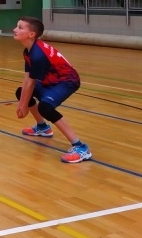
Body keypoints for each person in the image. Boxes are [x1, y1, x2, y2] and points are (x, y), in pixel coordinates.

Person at [13, 16, 92, 164]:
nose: (15, 30)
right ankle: (43, 127)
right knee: (20, 92)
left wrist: (23, 106)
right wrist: (21, 103)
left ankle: (81, 147)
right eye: (17, 26)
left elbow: (31, 83)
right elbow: (26, 80)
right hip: (52, 81)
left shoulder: (37, 54)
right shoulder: (28, 51)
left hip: (67, 81)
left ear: (32, 34)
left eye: (20, 27)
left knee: (46, 107)